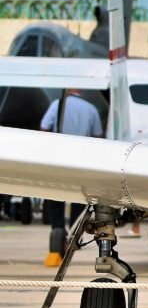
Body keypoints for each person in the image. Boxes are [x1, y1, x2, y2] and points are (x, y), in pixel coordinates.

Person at [40, 90, 102, 256]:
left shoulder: (57, 105)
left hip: (58, 157)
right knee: (79, 198)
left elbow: (44, 127)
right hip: (81, 159)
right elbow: (97, 135)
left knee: (56, 196)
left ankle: (57, 231)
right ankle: (75, 234)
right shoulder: (91, 108)